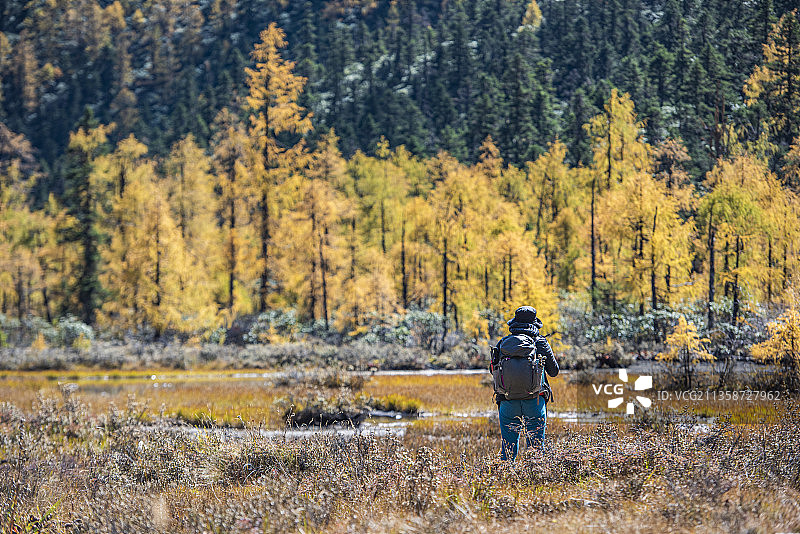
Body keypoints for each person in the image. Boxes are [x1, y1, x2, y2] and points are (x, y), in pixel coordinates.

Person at [493, 305, 559, 461]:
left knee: (508, 449)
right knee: (536, 448)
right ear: (535, 323)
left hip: (507, 401)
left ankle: (506, 480)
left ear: (514, 322)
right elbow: (554, 371)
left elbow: (493, 370)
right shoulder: (540, 342)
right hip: (535, 401)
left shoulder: (503, 343)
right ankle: (534, 480)